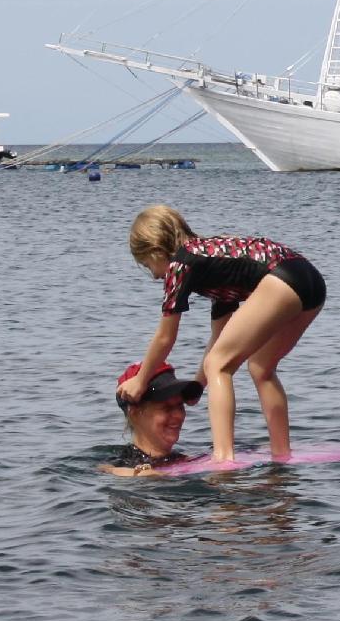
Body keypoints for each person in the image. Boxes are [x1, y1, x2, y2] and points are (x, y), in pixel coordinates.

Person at [120, 204, 326, 462]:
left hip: (282, 277)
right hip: (311, 281)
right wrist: (198, 385)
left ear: (155, 250)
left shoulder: (181, 263)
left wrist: (141, 380)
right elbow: (221, 337)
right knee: (260, 367)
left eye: (148, 266)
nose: (154, 276)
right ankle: (282, 453)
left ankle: (224, 458)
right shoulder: (213, 263)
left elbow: (165, 338)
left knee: (218, 364)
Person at [101, 361, 205, 477]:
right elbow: (104, 469)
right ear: (134, 413)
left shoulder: (188, 460)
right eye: (167, 408)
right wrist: (138, 474)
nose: (179, 415)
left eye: (180, 406)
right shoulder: (117, 466)